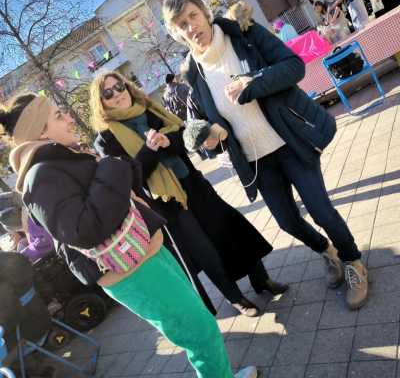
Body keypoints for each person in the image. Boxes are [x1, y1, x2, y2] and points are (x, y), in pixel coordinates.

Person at [0, 94, 257, 378]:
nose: (70, 119)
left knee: (198, 324)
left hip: (143, 250)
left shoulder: (62, 160)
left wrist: (121, 166)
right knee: (200, 332)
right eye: (59, 115)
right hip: (129, 269)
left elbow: (111, 197)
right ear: (39, 131)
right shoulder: (40, 176)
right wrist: (110, 167)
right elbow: (83, 230)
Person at [163, 0, 371, 310]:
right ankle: (326, 251)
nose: (191, 27)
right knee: (288, 222)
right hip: (256, 161)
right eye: (181, 24)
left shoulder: (244, 34)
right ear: (177, 33)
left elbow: (294, 67)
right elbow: (205, 124)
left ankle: (354, 262)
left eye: (193, 16)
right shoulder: (194, 74)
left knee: (321, 211)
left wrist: (253, 82)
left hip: (288, 141)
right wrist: (211, 139)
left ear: (205, 14)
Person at [90, 71, 289, 318]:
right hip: (168, 203)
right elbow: (129, 181)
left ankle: (261, 279)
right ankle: (236, 299)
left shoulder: (151, 109)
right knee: (205, 251)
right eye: (107, 93)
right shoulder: (106, 140)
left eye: (119, 86)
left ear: (127, 86)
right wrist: (149, 151)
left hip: (193, 184)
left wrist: (167, 142)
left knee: (231, 229)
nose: (117, 94)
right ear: (101, 102)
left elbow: (185, 136)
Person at [0, 251, 53, 376]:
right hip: (41, 312)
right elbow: (39, 281)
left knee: (2, 357)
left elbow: (12, 315)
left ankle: (42, 372)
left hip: (29, 329)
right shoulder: (11, 255)